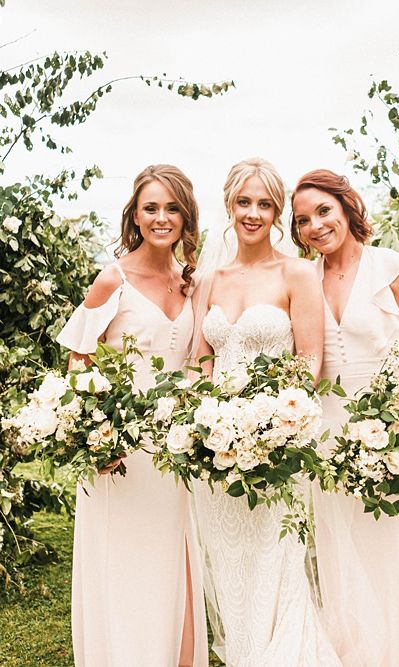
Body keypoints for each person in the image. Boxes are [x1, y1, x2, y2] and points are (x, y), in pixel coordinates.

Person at [291, 169, 399, 666]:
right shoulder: (305, 280)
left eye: (323, 211)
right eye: (302, 220)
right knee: (343, 561)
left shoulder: (395, 269)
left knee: (392, 557)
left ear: (346, 206)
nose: (315, 226)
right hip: (328, 440)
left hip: (395, 436)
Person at [190, 157, 341, 667]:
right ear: (229, 203)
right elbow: (200, 361)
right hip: (218, 446)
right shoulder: (212, 278)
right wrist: (202, 424)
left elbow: (310, 361)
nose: (253, 213)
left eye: (265, 204)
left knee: (274, 561)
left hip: (276, 445)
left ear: (277, 211)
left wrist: (273, 426)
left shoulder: (297, 272)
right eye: (244, 201)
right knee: (229, 560)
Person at [56, 165, 207, 666]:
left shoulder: (191, 284)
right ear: (135, 216)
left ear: (185, 216)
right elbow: (80, 367)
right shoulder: (112, 279)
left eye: (171, 208)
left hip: (174, 453)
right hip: (118, 453)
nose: (161, 218)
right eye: (151, 208)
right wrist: (95, 439)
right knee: (123, 567)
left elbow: (197, 367)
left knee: (173, 565)